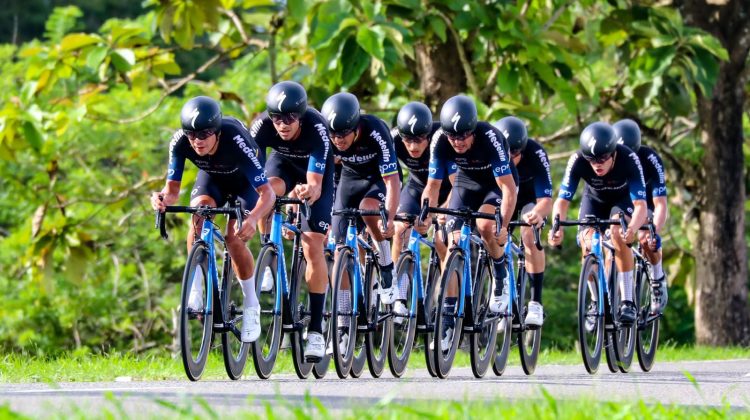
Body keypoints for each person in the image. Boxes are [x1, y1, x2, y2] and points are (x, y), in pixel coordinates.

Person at [150, 96, 276, 342]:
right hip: (213, 179)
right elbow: (173, 192)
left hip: (245, 183)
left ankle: (251, 305)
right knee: (198, 215)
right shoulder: (180, 142)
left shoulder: (236, 140)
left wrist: (253, 220)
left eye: (204, 134)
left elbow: (267, 193)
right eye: (191, 134)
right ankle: (195, 291)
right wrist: (161, 198)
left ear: (217, 132)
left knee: (233, 236)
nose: (197, 141)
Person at [248, 81, 335, 362]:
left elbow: (315, 185)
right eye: (277, 118)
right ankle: (268, 255)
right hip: (282, 163)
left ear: (300, 116)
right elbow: (254, 175)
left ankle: (317, 330)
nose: (283, 125)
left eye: (289, 119)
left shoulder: (317, 127)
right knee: (266, 192)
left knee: (312, 247)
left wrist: (306, 192)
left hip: (314, 171)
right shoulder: (261, 127)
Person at [422, 94, 517, 347]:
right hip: (465, 184)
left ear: (473, 130)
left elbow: (508, 189)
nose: (457, 142)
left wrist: (504, 225)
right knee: (447, 243)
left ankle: (500, 272)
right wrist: (426, 214)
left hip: (495, 187)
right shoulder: (440, 140)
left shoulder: (491, 138)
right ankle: (450, 318)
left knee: (486, 226)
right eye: (453, 137)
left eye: (463, 136)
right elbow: (432, 186)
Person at [548, 121, 648, 326]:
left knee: (618, 233)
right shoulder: (577, 160)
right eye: (592, 159)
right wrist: (556, 228)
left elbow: (641, 206)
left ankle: (627, 300)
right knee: (587, 243)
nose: (597, 164)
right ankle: (595, 301)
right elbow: (562, 201)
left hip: (622, 201)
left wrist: (633, 229)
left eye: (602, 158)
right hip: (594, 201)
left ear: (613, 154)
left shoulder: (629, 158)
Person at [321, 92, 401, 306]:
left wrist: (390, 218)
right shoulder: (328, 140)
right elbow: (321, 178)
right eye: (333, 134)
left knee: (368, 209)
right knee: (339, 249)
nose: (338, 140)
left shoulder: (376, 130)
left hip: (378, 179)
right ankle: (344, 320)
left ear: (356, 127)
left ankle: (385, 262)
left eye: (344, 134)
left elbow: (392, 181)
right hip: (350, 179)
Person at [390, 102, 456, 317]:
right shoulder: (393, 140)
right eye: (407, 140)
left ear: (428, 135)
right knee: (399, 229)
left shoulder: (443, 138)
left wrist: (436, 214)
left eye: (419, 140)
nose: (413, 146)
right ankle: (398, 294)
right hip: (417, 186)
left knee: (442, 240)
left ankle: (449, 301)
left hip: (449, 188)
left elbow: (458, 185)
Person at [493, 116, 552, 327]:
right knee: (490, 232)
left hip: (528, 201)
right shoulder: (491, 151)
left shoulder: (536, 154)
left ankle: (535, 302)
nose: (510, 159)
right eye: (506, 154)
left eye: (515, 154)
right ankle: (499, 292)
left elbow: (546, 200)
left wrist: (537, 213)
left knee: (528, 232)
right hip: (501, 197)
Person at [613, 119, 668, 313]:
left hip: (647, 202)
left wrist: (654, 231)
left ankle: (657, 276)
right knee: (612, 236)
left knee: (646, 238)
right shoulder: (608, 157)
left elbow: (661, 203)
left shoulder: (651, 159)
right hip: (624, 202)